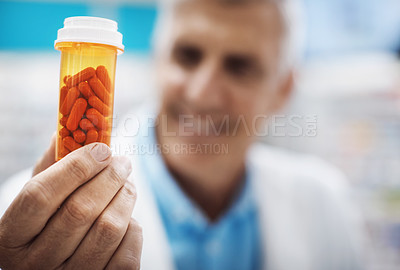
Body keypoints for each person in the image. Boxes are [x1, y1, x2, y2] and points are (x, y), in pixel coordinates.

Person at [0, 0, 365, 269]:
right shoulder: (25, 222)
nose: (202, 92)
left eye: (239, 67)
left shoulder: (326, 206)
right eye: (188, 56)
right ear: (157, 61)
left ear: (283, 90)